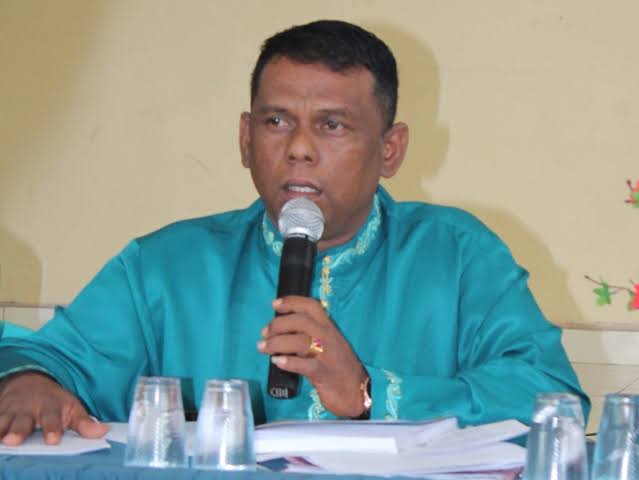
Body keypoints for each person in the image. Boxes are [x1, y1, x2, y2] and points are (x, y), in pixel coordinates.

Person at [0, 19, 588, 447]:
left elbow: (551, 401)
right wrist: (30, 382)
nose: (299, 148)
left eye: (332, 125)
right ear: (245, 139)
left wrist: (369, 393)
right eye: (277, 120)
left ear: (390, 149)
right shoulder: (167, 267)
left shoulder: (458, 256)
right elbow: (48, 358)